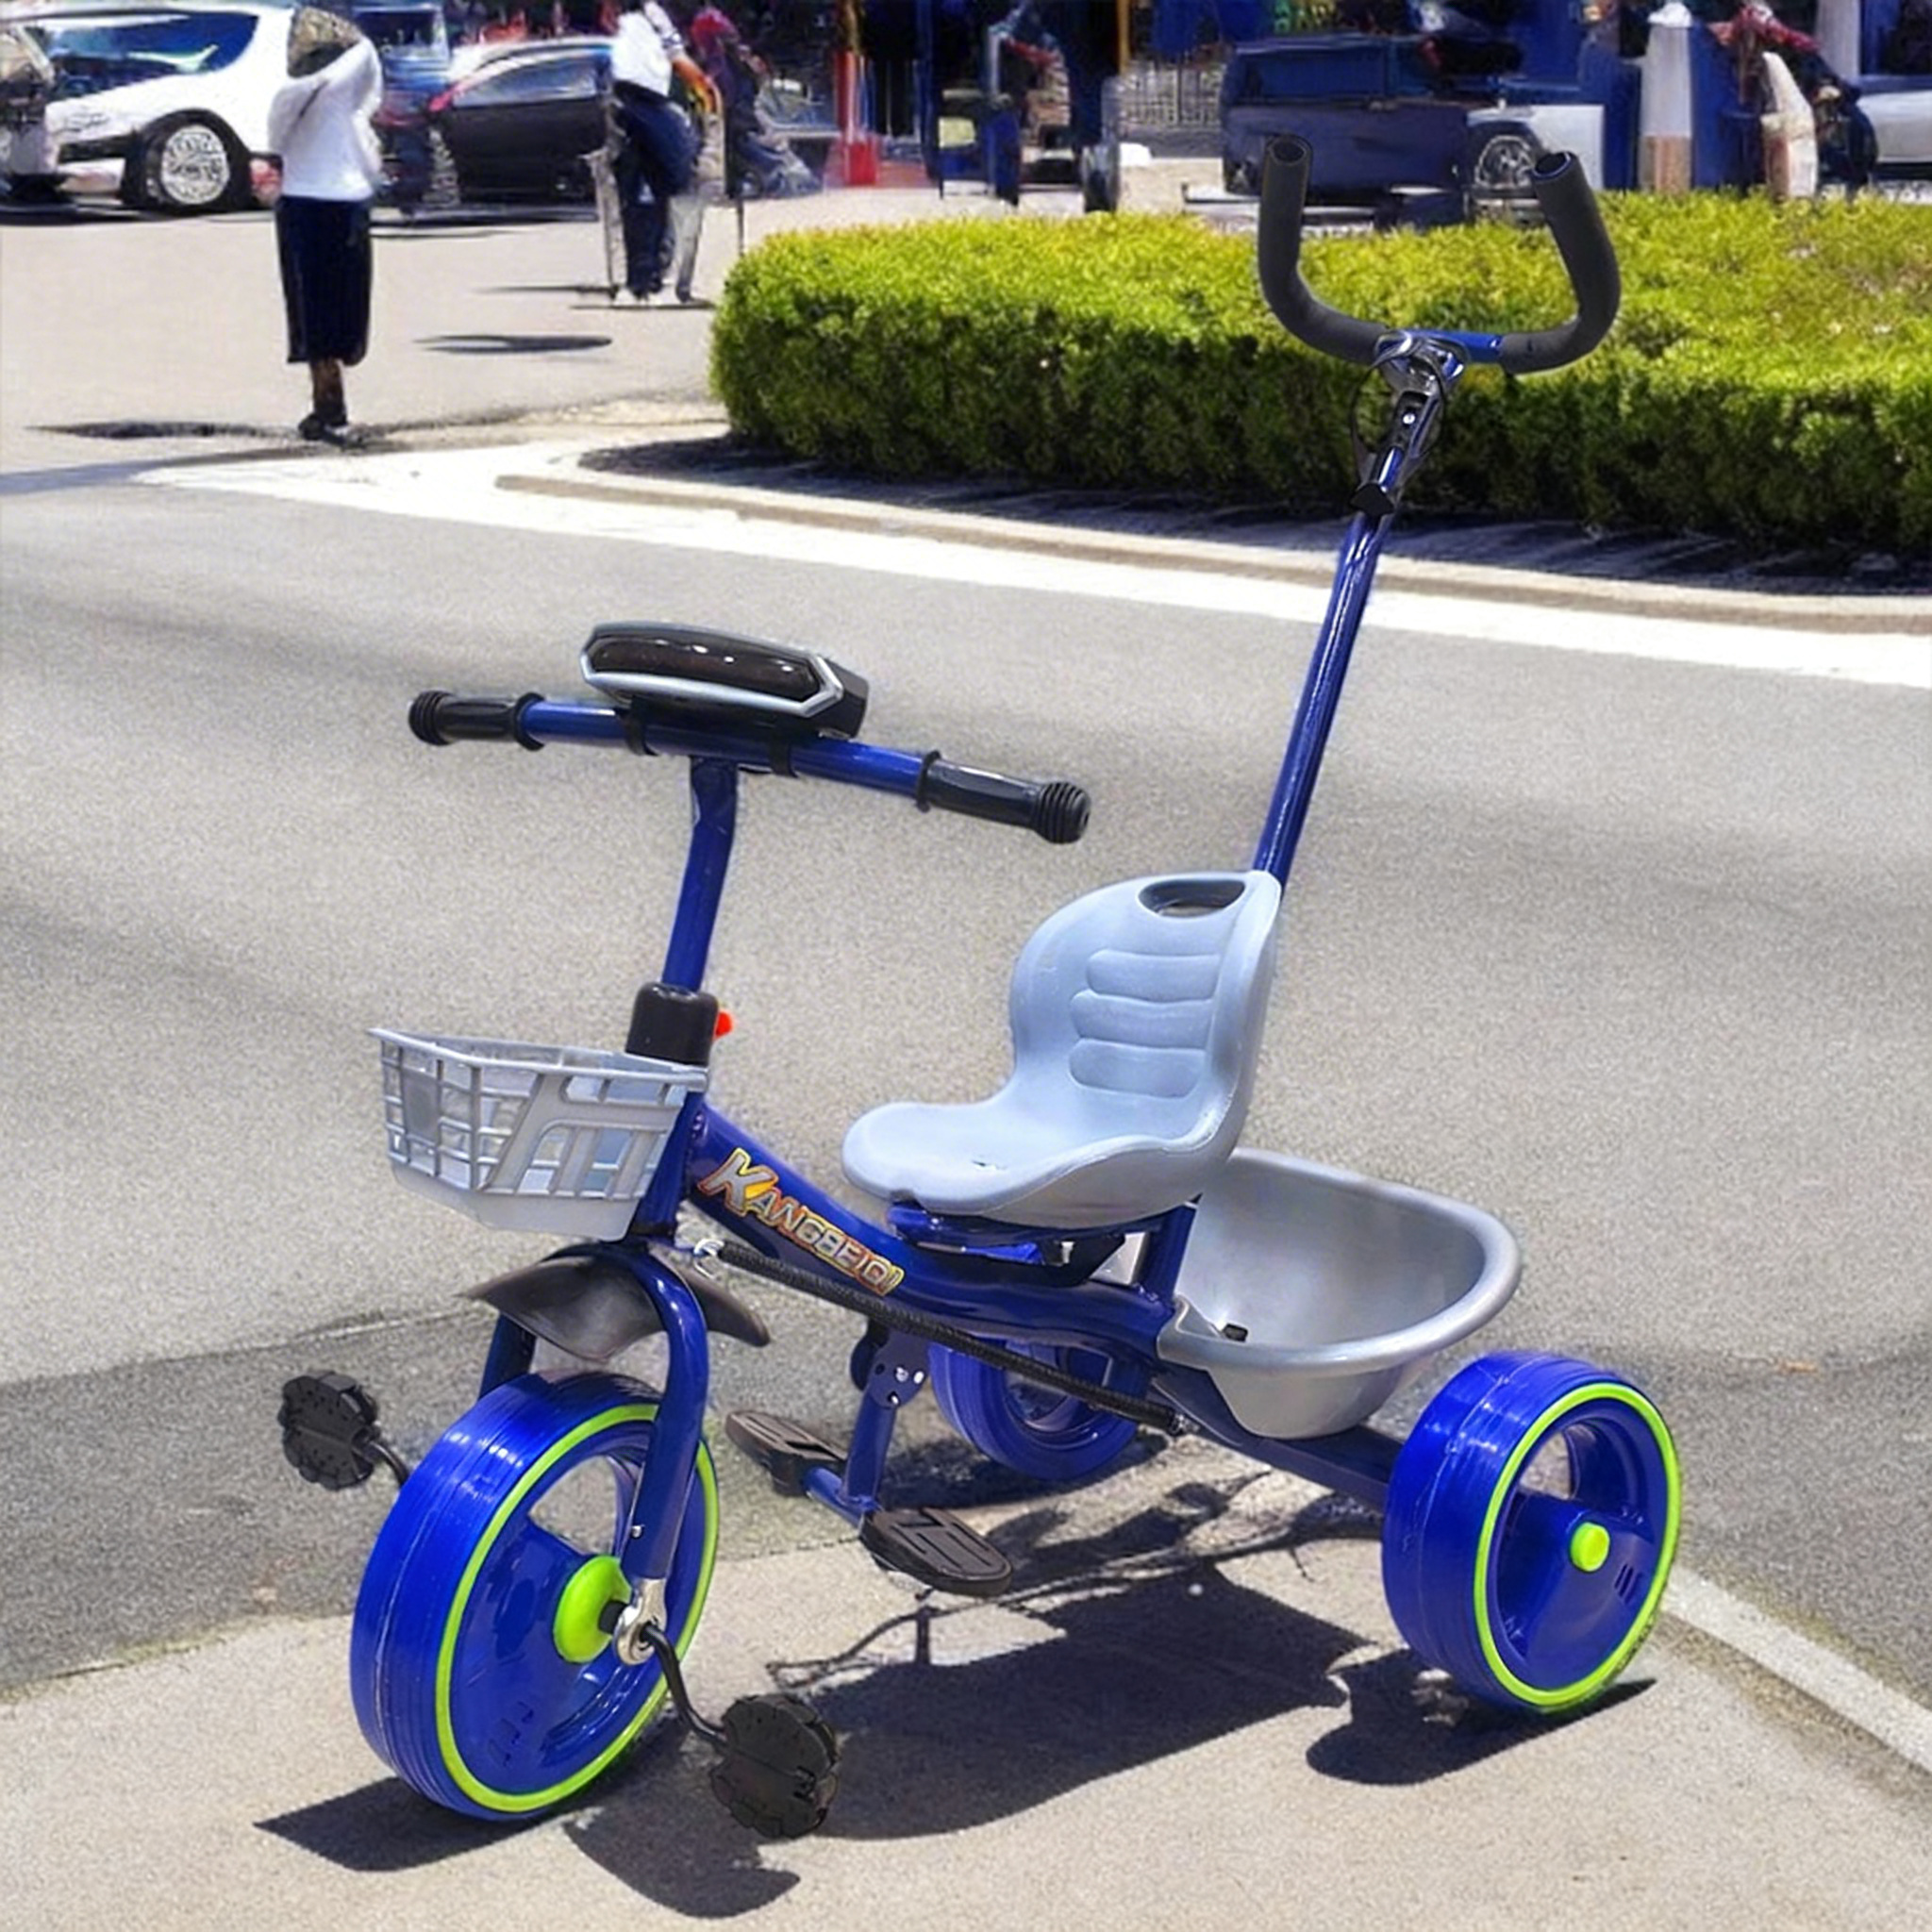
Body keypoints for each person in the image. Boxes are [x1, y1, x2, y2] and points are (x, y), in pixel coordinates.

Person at [267, 8, 385, 443]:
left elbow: (276, 136)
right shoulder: (363, 59)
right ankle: (331, 402)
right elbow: (372, 97)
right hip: (353, 194)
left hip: (304, 199)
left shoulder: (295, 88)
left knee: (312, 308)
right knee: (347, 301)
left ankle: (328, 407)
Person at [608, 0, 715, 305]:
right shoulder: (650, 15)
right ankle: (658, 281)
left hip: (627, 113)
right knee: (677, 188)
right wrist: (708, 91)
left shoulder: (623, 16)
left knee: (639, 201)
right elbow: (679, 60)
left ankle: (641, 281)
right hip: (645, 110)